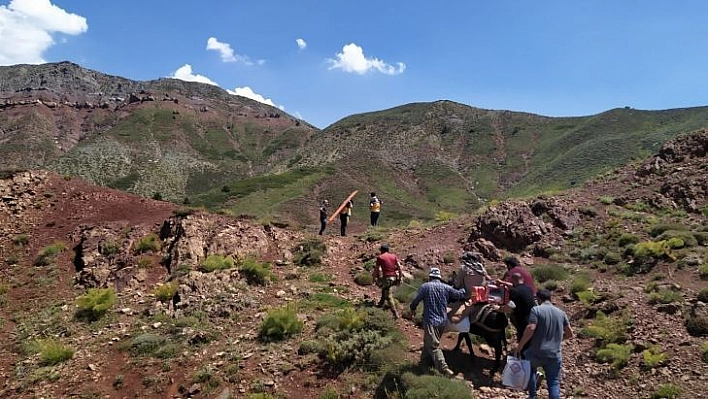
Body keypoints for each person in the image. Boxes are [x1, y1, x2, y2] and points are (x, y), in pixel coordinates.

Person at [514, 289, 573, 399]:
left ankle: (532, 396)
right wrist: (558, 339)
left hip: (536, 352)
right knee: (553, 383)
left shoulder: (536, 310)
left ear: (538, 299)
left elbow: (531, 327)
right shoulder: (561, 313)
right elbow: (570, 333)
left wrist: (520, 346)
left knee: (530, 370)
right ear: (550, 298)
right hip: (554, 354)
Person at [409, 267, 467, 377]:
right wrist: (465, 289)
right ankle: (423, 365)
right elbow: (459, 294)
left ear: (430, 277)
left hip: (430, 320)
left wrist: (412, 309)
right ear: (439, 277)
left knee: (433, 346)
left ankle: (444, 369)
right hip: (442, 321)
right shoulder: (446, 287)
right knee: (428, 343)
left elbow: (416, 300)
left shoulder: (425, 286)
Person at [372, 243, 402, 318]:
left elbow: (376, 270)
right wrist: (400, 278)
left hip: (387, 278)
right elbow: (399, 267)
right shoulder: (393, 256)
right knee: (385, 289)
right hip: (394, 277)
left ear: (382, 250)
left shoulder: (380, 257)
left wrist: (374, 278)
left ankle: (395, 313)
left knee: (388, 296)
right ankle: (380, 304)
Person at [506, 273, 537, 345]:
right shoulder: (529, 288)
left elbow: (510, 307)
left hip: (522, 320)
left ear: (513, 280)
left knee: (523, 339)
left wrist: (499, 309)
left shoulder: (514, 291)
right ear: (522, 279)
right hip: (533, 317)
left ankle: (522, 352)